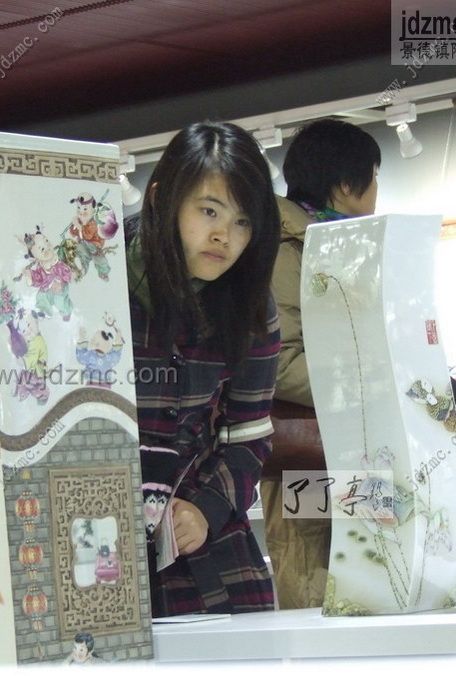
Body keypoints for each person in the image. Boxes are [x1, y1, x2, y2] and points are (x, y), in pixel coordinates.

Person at [125, 121, 281, 616]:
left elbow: (249, 434)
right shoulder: (93, 280)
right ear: (161, 199)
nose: (223, 237)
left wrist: (205, 509)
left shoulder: (250, 304)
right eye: (209, 210)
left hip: (200, 540)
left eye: (242, 221)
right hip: (95, 538)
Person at [260, 118, 381, 610]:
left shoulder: (330, 246)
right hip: (307, 453)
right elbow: (279, 363)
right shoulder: (284, 249)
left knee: (374, 576)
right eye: (373, 177)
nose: (376, 191)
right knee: (315, 582)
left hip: (355, 448)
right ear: (347, 184)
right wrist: (372, 385)